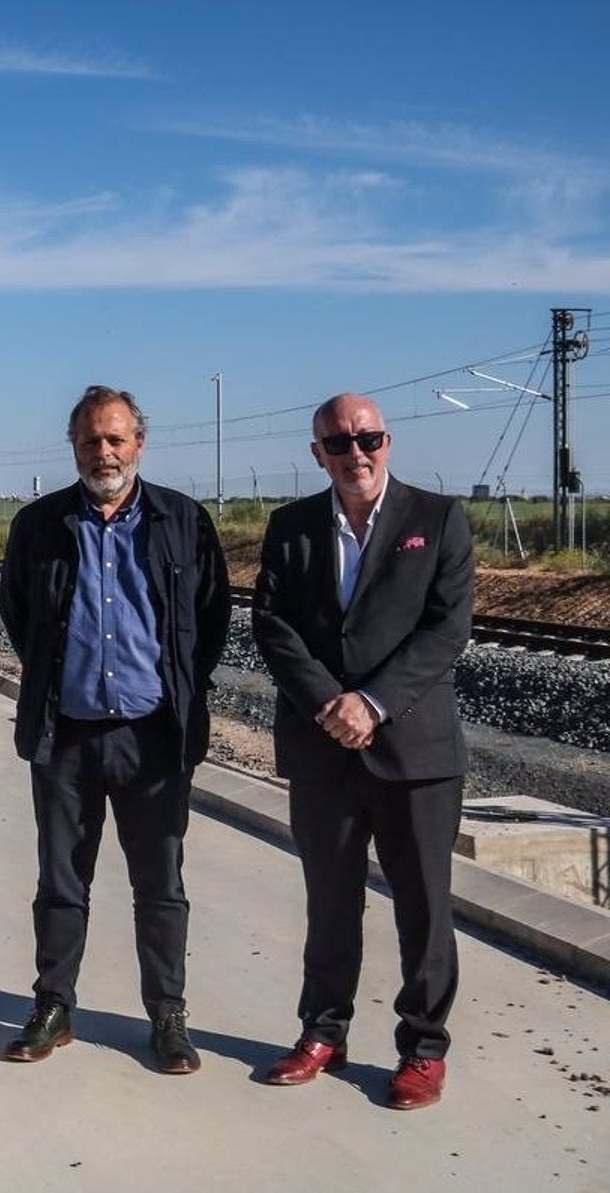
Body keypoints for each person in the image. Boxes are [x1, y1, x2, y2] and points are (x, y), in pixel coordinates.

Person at [0, 385, 231, 1073]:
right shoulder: (39, 525)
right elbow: (20, 615)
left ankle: (167, 1016)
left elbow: (208, 621)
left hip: (153, 736)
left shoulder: (182, 521)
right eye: (91, 440)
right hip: (64, 735)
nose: (105, 452)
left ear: (139, 444)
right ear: (73, 447)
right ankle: (53, 1005)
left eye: (116, 438)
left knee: (160, 884)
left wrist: (174, 690)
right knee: (61, 881)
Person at [251, 392, 473, 1110]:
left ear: (388, 441)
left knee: (424, 908)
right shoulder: (290, 528)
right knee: (329, 902)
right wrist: (330, 704)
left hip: (415, 752)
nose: (357, 454)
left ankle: (423, 1050)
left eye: (368, 439)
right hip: (324, 749)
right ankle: (323, 1032)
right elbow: (274, 625)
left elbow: (445, 630)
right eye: (340, 444)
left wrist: (371, 703)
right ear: (317, 453)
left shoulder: (437, 520)